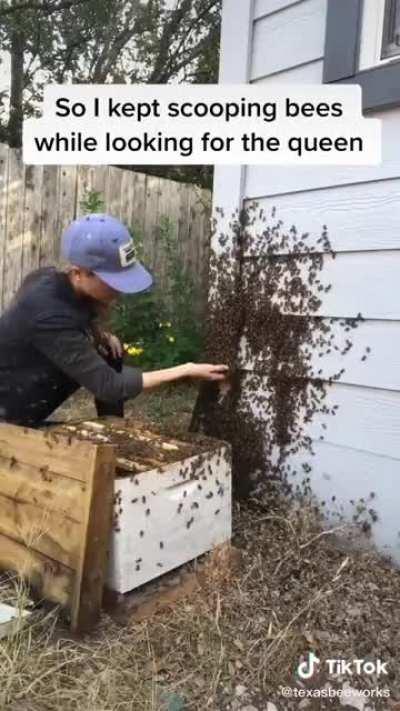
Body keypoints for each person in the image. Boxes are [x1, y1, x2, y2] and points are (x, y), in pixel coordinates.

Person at [0, 213, 228, 427]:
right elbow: (110, 385)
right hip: (8, 414)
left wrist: (100, 334)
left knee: (109, 350)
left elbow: (71, 316)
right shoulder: (46, 312)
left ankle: (113, 428)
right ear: (79, 273)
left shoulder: (51, 279)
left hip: (22, 398)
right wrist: (185, 370)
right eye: (111, 280)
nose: (119, 290)